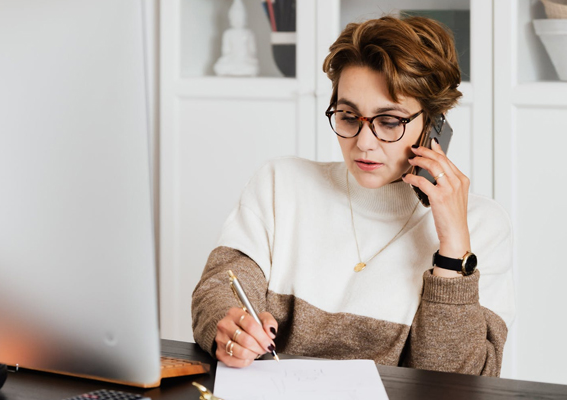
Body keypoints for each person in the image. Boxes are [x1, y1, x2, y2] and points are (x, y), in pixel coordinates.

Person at [192, 15, 515, 376]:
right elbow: (219, 291)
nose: (363, 143)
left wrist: (453, 251)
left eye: (389, 122)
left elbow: (456, 383)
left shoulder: (482, 226)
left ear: (435, 123)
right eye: (348, 116)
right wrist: (230, 326)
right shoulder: (280, 184)